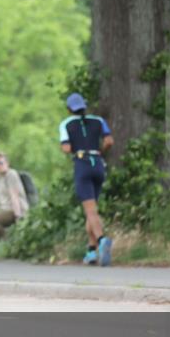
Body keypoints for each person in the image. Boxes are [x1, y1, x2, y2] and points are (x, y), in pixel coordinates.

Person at [59, 93, 114, 266]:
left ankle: (102, 239)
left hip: (82, 165)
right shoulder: (98, 120)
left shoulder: (66, 124)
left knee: (90, 211)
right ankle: (91, 252)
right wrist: (99, 150)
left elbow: (66, 148)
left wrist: (78, 146)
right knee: (92, 211)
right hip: (98, 164)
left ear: (69, 109)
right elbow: (109, 141)